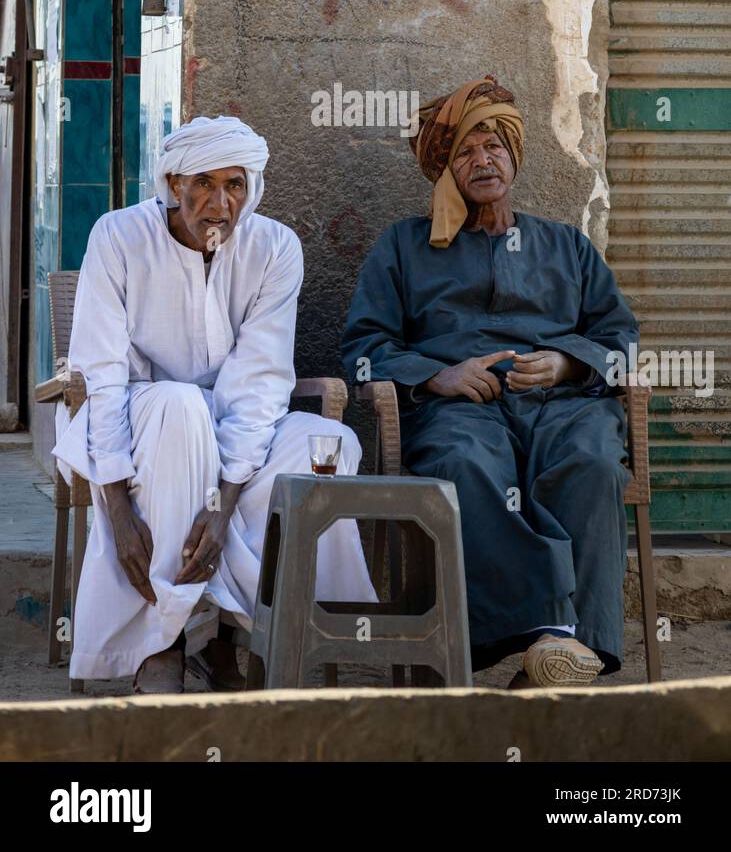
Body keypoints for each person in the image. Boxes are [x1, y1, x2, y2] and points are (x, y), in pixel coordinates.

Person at [54, 115, 376, 693]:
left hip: (229, 428)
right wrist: (117, 509)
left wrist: (223, 505)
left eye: (235, 185)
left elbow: (259, 382)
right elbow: (100, 377)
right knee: (181, 408)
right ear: (173, 184)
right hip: (134, 419)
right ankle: (166, 638)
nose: (219, 203)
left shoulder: (275, 248)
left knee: (327, 444)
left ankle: (238, 631)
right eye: (203, 183)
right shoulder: (118, 236)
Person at [341, 75, 640, 688]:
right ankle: (553, 635)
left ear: (514, 156)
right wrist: (439, 376)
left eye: (494, 148)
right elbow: (364, 350)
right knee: (463, 467)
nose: (484, 161)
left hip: (564, 404)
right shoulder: (403, 246)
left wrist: (566, 362)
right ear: (446, 169)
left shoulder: (567, 245)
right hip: (460, 410)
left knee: (593, 465)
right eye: (467, 152)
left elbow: (621, 339)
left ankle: (557, 656)